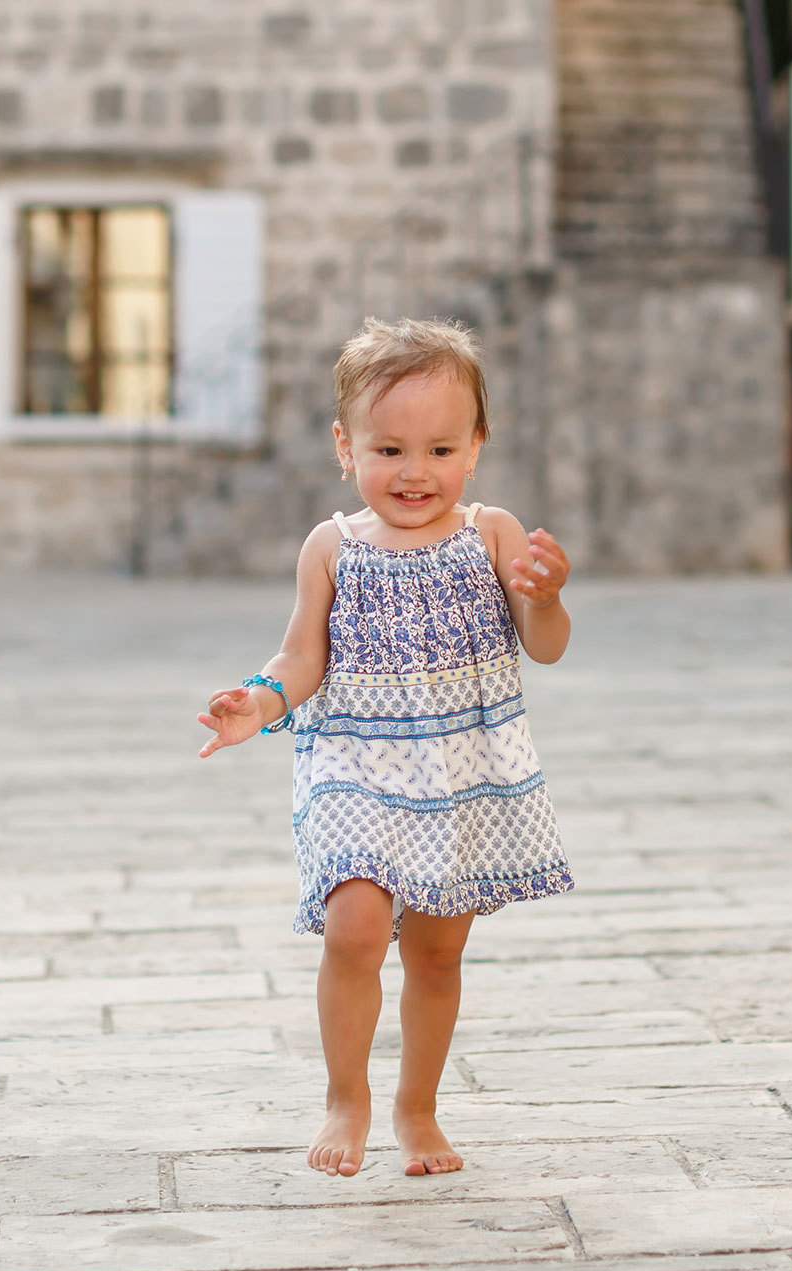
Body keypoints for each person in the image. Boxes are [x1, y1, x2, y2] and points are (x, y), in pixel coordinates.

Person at [196, 316, 575, 1178]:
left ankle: (418, 1107)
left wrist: (548, 597)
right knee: (356, 925)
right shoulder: (332, 547)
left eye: (440, 449)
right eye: (389, 449)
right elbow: (301, 656)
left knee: (438, 953)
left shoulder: (493, 535)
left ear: (476, 446)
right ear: (345, 446)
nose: (415, 473)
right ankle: (347, 1095)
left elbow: (543, 646)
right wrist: (256, 704)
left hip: (459, 771)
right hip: (355, 764)